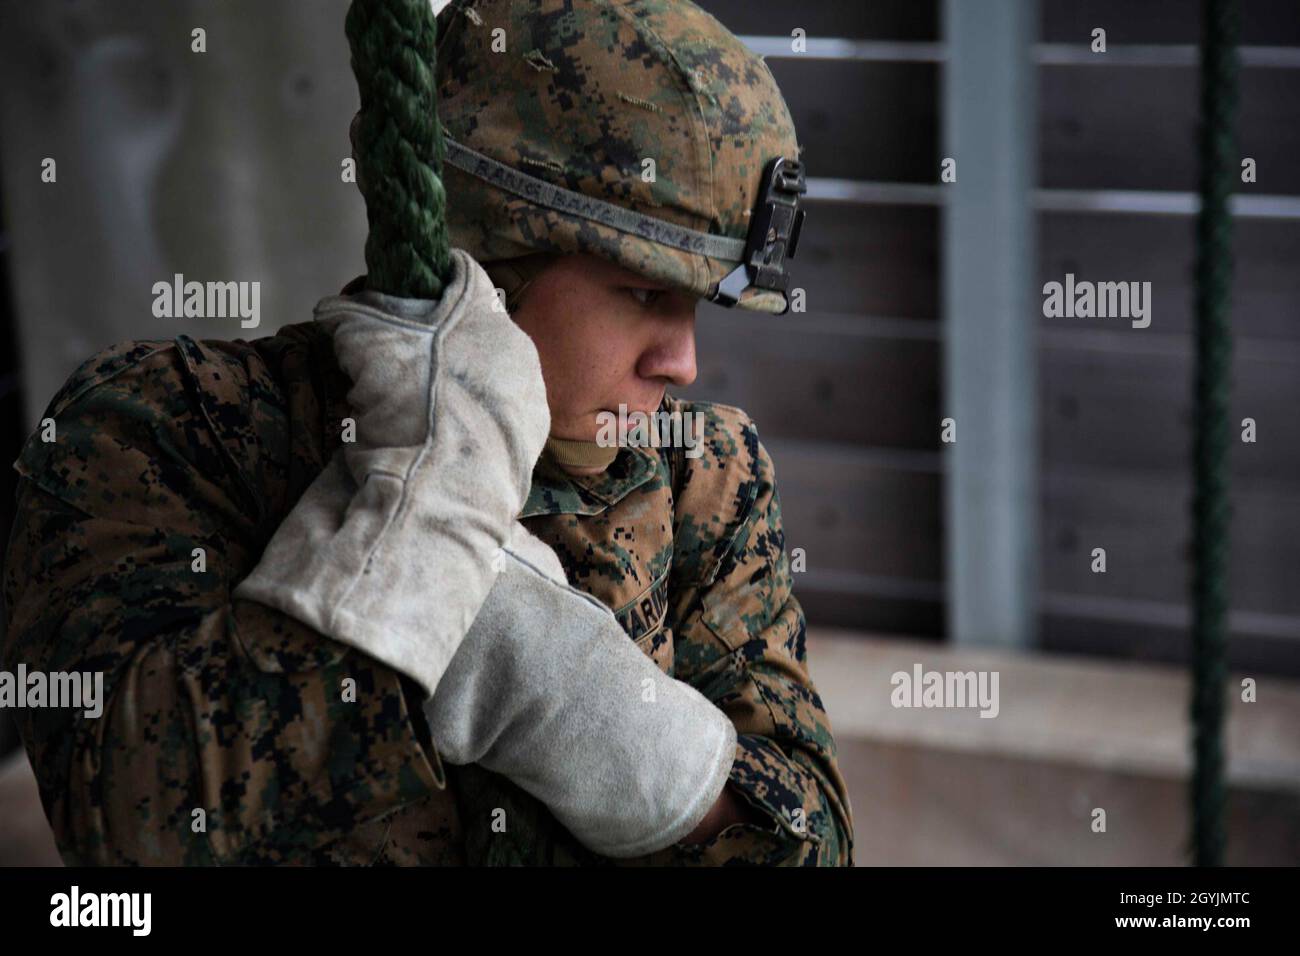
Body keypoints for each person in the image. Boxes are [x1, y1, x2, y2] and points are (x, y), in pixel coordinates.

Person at [1, 0, 852, 866]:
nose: (683, 364)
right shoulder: (170, 429)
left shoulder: (707, 471)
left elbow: (812, 840)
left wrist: (615, 726)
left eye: (699, 309)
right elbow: (130, 828)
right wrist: (423, 523)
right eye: (644, 295)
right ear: (494, 253)